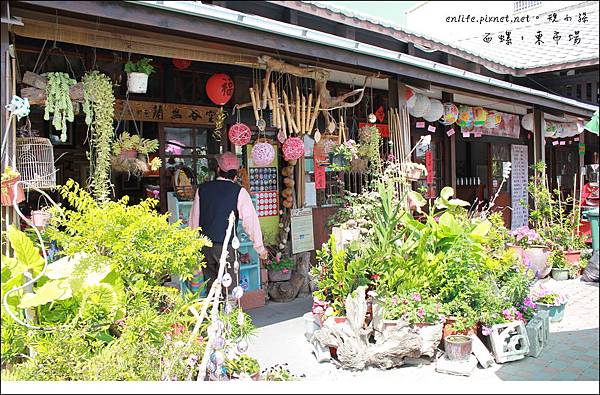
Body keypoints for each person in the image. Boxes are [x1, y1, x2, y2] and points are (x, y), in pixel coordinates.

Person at [189, 151, 268, 294]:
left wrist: (192, 247)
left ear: (218, 169)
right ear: (235, 174)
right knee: (229, 287)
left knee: (211, 287)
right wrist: (260, 248)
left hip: (205, 247)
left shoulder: (202, 189)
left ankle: (215, 315)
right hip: (227, 247)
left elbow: (194, 221)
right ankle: (228, 315)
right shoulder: (239, 192)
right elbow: (250, 222)